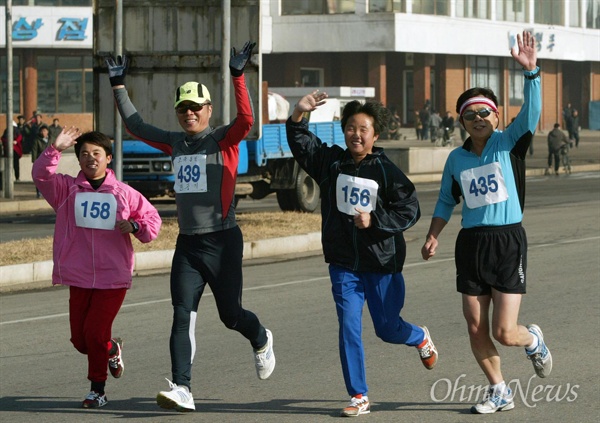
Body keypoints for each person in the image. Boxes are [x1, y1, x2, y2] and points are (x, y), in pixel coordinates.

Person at [105, 40, 276, 413]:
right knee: (182, 314)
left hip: (223, 241)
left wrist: (237, 76)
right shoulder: (174, 142)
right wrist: (118, 85)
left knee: (231, 316)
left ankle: (261, 338)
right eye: (183, 108)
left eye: (196, 107)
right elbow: (135, 124)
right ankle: (183, 387)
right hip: (188, 246)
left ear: (208, 109)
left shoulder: (222, 138)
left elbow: (247, 120)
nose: (189, 113)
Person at [420, 30, 552, 415]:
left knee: (504, 331)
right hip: (471, 245)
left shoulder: (509, 143)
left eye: (484, 112)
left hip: (507, 242)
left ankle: (533, 342)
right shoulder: (456, 160)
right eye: (470, 114)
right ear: (462, 120)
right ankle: (500, 390)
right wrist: (432, 236)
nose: (478, 119)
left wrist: (531, 73)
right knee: (475, 326)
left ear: (496, 116)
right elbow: (446, 200)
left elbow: (531, 113)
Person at [286, 91, 438, 417]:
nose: (356, 134)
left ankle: (419, 337)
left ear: (375, 135)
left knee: (386, 328)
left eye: (364, 129)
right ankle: (358, 395)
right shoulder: (332, 164)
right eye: (351, 128)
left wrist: (375, 220)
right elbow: (304, 147)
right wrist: (298, 114)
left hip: (381, 261)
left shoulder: (386, 170)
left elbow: (409, 209)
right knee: (349, 327)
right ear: (344, 131)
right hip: (343, 263)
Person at [31, 128, 162, 409]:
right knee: (80, 340)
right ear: (78, 160)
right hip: (78, 275)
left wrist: (136, 226)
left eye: (97, 154)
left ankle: (97, 390)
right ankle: (111, 348)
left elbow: (151, 221)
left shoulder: (123, 193)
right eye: (84, 154)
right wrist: (55, 148)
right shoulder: (65, 190)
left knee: (93, 333)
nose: (91, 159)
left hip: (112, 277)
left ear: (108, 159)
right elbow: (40, 176)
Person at [32, 125, 51, 198]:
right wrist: (34, 161)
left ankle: (47, 192)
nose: (43, 132)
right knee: (39, 178)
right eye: (42, 131)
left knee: (48, 178)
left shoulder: (50, 140)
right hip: (40, 161)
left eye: (45, 131)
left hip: (49, 162)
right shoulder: (37, 140)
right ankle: (39, 192)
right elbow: (34, 150)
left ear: (47, 132)